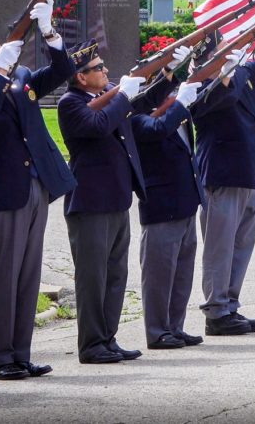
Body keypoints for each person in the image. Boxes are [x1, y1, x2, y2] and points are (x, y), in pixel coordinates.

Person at [0, 0, 75, 382]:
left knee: (28, 275)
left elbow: (63, 71)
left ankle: (21, 354)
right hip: (3, 192)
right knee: (3, 277)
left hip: (35, 185)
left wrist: (49, 32)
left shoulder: (21, 77)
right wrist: (1, 71)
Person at [190, 19, 255, 336]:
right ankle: (216, 311)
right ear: (209, 58)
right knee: (219, 247)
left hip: (248, 172)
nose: (231, 51)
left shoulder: (242, 72)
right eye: (223, 49)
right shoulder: (199, 87)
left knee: (240, 246)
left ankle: (229, 305)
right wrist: (224, 73)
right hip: (222, 173)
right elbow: (220, 100)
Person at [56, 39, 150, 364]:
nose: (106, 70)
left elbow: (140, 103)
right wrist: (122, 95)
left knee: (115, 275)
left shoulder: (107, 96)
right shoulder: (70, 103)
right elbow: (99, 126)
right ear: (81, 76)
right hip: (91, 202)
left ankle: (108, 338)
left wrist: (167, 73)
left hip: (116, 198)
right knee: (92, 279)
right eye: (98, 68)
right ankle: (91, 344)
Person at [131, 71, 205, 350]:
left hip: (186, 203)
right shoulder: (138, 118)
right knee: (159, 276)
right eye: (169, 91)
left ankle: (175, 326)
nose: (174, 94)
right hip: (161, 206)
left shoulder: (177, 114)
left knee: (182, 273)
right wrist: (179, 104)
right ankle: (157, 331)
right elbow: (157, 130)